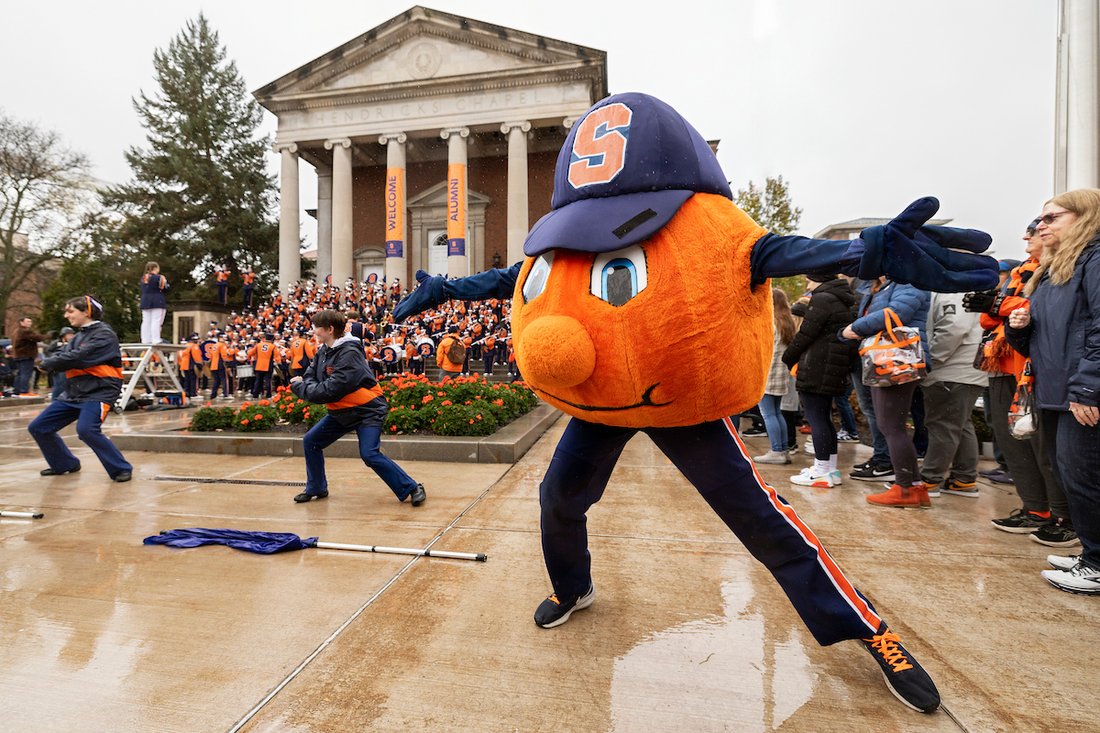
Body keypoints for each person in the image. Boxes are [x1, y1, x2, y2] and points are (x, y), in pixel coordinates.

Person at [1008, 189, 1100, 593]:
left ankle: (1096, 563)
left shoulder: (1094, 259)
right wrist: (1020, 328)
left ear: (1084, 217)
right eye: (1039, 219)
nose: (1040, 226)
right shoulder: (1053, 268)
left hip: (1081, 393)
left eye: (1051, 218)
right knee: (1072, 476)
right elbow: (1043, 341)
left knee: (1085, 478)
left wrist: (1088, 388)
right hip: (1059, 390)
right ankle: (1091, 554)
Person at [968, 223, 1070, 538]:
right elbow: (987, 318)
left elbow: (1042, 309)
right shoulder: (1020, 273)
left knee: (1043, 446)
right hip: (1002, 363)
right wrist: (996, 306)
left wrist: (999, 305)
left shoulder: (1061, 268)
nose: (1027, 236)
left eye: (1034, 230)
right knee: (1012, 441)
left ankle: (1063, 518)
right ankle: (1035, 509)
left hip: (1034, 368)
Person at [289, 309, 425, 506]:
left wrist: (299, 386)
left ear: (329, 329)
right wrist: (307, 383)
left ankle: (412, 487)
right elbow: (311, 376)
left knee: (369, 454)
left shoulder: (350, 353)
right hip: (341, 412)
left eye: (317, 327)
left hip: (367, 411)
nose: (314, 332)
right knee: (311, 441)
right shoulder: (324, 351)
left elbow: (328, 390)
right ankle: (316, 487)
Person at [843, 277, 931, 508]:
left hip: (898, 359)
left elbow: (896, 313)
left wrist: (854, 328)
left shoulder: (910, 281)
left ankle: (905, 489)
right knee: (891, 426)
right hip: (886, 359)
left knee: (891, 426)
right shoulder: (882, 285)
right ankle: (914, 486)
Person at [28, 295, 133, 482]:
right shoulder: (78, 336)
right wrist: (50, 361)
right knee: (39, 427)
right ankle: (65, 464)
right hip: (75, 393)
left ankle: (121, 468)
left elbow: (79, 357)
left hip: (99, 392)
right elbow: (62, 354)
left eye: (71, 311)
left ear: (86, 312)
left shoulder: (105, 334)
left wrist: (48, 363)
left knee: (87, 430)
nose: (66, 315)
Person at [782, 273, 857, 486]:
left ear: (818, 278)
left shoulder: (822, 298)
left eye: (809, 279)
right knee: (824, 419)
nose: (807, 283)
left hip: (817, 366)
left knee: (817, 419)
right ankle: (829, 469)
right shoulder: (842, 298)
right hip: (832, 366)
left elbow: (806, 334)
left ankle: (821, 471)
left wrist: (788, 357)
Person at [918, 289, 987, 499]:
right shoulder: (965, 287)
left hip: (953, 370)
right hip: (966, 369)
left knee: (943, 425)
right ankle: (963, 479)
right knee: (960, 423)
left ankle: (929, 480)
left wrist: (930, 358)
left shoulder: (953, 289)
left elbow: (954, 327)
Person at [754, 288, 796, 464]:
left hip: (768, 374)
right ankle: (783, 450)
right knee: (777, 413)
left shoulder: (769, 324)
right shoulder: (787, 324)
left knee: (768, 414)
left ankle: (776, 451)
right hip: (781, 375)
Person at [12, 316, 45, 395]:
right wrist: (48, 336)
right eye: (28, 321)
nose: (30, 323)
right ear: (21, 322)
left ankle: (17, 391)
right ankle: (24, 391)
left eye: (30, 321)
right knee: (26, 374)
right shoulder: (25, 331)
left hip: (18, 355)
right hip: (26, 355)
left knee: (20, 374)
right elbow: (38, 338)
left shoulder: (16, 331)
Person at [139, 261, 169, 344]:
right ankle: (156, 339)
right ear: (155, 268)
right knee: (156, 320)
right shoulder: (160, 277)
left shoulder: (143, 278)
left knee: (146, 321)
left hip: (145, 300)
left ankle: (145, 339)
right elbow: (166, 288)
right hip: (157, 300)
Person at [49, 327, 76, 400]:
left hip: (69, 369)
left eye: (72, 334)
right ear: (63, 336)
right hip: (59, 369)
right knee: (58, 387)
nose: (71, 336)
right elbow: (51, 354)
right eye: (69, 335)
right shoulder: (56, 344)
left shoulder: (74, 344)